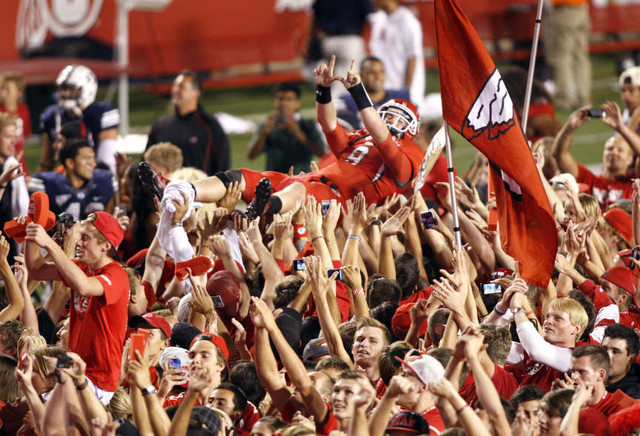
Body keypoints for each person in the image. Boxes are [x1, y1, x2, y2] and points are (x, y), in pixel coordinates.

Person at [184, 56, 424, 219]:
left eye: (400, 119)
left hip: (337, 202)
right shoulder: (361, 136)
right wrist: (323, 89)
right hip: (310, 181)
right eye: (389, 115)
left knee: (298, 192)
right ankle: (182, 191)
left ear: (411, 129)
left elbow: (383, 139)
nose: (392, 122)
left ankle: (261, 209)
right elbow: (329, 125)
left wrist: (358, 92)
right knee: (237, 178)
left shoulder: (411, 153)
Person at [24, 211, 128, 404]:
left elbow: (84, 286)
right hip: (73, 364)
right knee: (29, 371)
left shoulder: (117, 275)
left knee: (42, 418)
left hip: (98, 380)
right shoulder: (83, 268)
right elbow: (36, 270)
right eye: (79, 236)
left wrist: (48, 242)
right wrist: (32, 232)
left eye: (85, 238)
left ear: (106, 246)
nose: (77, 243)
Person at [552, 105, 640, 207]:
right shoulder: (589, 180)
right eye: (609, 148)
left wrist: (621, 128)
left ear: (630, 159)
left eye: (620, 150)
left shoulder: (634, 184)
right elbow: (559, 155)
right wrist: (570, 126)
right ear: (603, 154)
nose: (614, 152)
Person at [146, 70, 230, 176]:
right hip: (164, 192)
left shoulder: (210, 128)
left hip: (199, 191)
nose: (175, 90)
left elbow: (223, 168)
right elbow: (147, 163)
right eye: (175, 86)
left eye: (181, 87)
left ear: (196, 93)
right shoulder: (160, 126)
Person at [39, 65, 120, 174]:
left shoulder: (101, 114)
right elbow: (46, 163)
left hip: (93, 173)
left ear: (87, 88)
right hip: (67, 175)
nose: (66, 93)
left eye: (72, 89)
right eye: (63, 89)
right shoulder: (52, 116)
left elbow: (106, 164)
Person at [28, 139, 115, 221]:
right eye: (87, 158)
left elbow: (119, 210)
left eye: (93, 158)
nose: (93, 164)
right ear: (70, 163)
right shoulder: (44, 183)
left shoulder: (105, 180)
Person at [247, 83, 325, 174]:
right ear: (274, 101)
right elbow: (251, 155)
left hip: (302, 178)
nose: (283, 103)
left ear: (297, 103)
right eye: (280, 99)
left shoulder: (307, 125)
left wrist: (298, 133)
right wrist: (263, 135)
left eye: (289, 99)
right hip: (276, 180)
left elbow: (322, 153)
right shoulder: (267, 125)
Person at [311, 0, 374, 92]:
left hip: (327, 41)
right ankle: (337, 104)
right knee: (346, 82)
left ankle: (326, 101)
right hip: (350, 41)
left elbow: (314, 18)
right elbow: (371, 19)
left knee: (329, 79)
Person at [369, 0, 425, 105]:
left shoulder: (407, 20)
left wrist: (406, 91)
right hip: (383, 90)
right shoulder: (379, 20)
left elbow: (412, 57)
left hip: (402, 88)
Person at [335, 56, 411, 130]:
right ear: (361, 75)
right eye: (371, 72)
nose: (378, 76)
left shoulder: (401, 97)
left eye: (381, 72)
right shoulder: (346, 101)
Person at [545, 0, 591, 110]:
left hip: (564, 10)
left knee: (561, 57)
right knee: (580, 57)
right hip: (581, 9)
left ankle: (564, 98)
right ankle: (583, 97)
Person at [0, 72, 31, 174]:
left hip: (20, 162)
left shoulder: (24, 109)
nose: (2, 93)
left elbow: (24, 139)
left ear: (19, 92)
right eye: (1, 88)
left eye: (7, 89)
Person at [602, 323, 640, 399]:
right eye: (604, 349)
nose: (607, 356)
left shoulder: (633, 396)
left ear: (631, 359)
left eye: (615, 352)